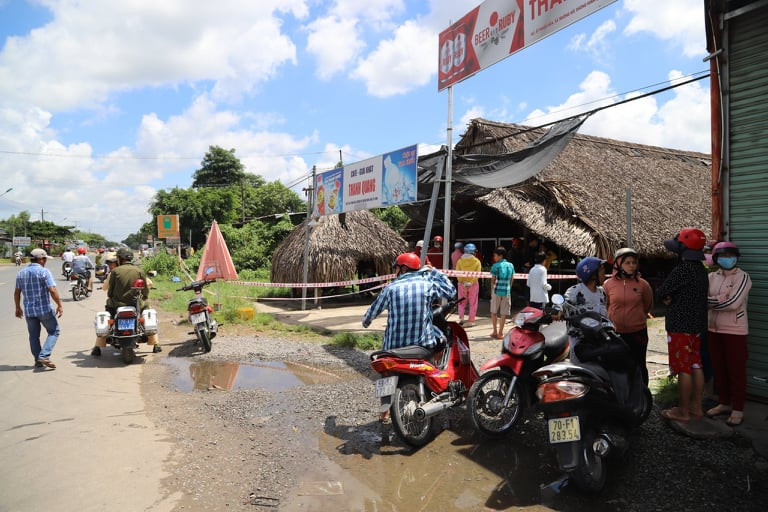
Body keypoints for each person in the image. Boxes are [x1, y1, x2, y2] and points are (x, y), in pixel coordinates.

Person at [362, 252, 455, 429]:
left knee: (386, 374)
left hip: (393, 348)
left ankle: (384, 412)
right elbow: (451, 292)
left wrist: (366, 321)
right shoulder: (428, 284)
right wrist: (434, 271)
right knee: (441, 340)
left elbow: (369, 316)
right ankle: (433, 391)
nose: (395, 271)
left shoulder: (390, 288)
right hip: (421, 346)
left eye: (396, 267)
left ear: (403, 268)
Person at [657, 227, 709, 423]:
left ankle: (683, 410)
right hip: (697, 326)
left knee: (683, 368)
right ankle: (697, 407)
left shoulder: (682, 270)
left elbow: (661, 292)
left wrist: (668, 297)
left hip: (680, 326)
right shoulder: (701, 271)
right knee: (696, 364)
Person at [705, 241, 752, 426]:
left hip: (735, 331)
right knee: (719, 368)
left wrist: (712, 301)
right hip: (713, 329)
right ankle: (724, 403)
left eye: (730, 256)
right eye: (723, 256)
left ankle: (738, 408)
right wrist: (721, 298)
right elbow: (702, 298)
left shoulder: (743, 277)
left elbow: (732, 303)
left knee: (736, 371)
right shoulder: (711, 277)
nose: (727, 259)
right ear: (716, 259)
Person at [92, 248, 160, 356]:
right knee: (147, 313)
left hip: (117, 304)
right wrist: (144, 298)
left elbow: (110, 291)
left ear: (119, 259)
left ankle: (98, 346)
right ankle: (156, 344)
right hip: (136, 304)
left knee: (108, 316)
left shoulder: (115, 272)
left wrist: (112, 297)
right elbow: (145, 288)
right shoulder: (139, 271)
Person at [603, 248, 654, 385]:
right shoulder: (608, 285)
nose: (632, 265)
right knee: (617, 365)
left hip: (638, 332)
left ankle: (643, 398)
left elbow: (648, 305)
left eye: (634, 262)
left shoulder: (643, 284)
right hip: (616, 333)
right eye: (627, 262)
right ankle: (621, 397)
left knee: (639, 365)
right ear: (618, 264)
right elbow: (605, 305)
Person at [14, 248, 63, 369]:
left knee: (33, 335)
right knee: (54, 331)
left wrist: (17, 307)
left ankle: (38, 360)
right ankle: (44, 355)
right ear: (41, 259)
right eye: (45, 259)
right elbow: (52, 290)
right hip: (44, 309)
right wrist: (60, 305)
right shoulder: (44, 272)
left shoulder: (21, 273)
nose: (45, 261)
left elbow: (17, 293)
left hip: (29, 311)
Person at [563, 256, 608, 362]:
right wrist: (557, 311)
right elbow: (563, 305)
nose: (604, 274)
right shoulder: (575, 291)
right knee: (579, 370)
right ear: (592, 275)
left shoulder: (601, 292)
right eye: (602, 271)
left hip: (598, 337)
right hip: (579, 340)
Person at [489, 246, 515, 339]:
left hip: (496, 290)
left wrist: (492, 291)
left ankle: (495, 331)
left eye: (495, 255)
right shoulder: (511, 265)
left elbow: (492, 280)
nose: (494, 257)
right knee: (503, 313)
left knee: (494, 312)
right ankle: (500, 333)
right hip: (506, 291)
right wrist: (509, 288)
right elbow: (512, 278)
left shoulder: (495, 266)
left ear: (500, 256)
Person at [455, 243, 482, 327]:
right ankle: (471, 320)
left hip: (462, 284)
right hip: (473, 284)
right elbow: (477, 273)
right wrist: (471, 282)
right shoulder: (477, 261)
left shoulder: (460, 261)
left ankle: (461, 318)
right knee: (473, 303)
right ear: (473, 252)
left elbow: (457, 272)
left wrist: (462, 282)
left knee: (461, 302)